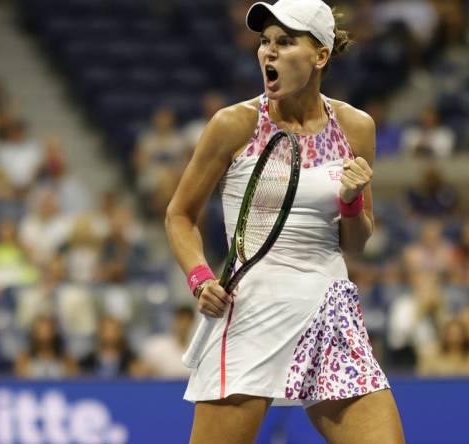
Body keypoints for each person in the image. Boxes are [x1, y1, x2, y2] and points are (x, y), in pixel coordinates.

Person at [163, 1, 404, 442]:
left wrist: (351, 203)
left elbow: (355, 243)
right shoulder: (233, 124)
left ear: (321, 56)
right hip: (252, 310)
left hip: (329, 311)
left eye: (285, 42)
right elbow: (179, 215)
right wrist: (200, 279)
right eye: (264, 42)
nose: (268, 53)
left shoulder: (356, 127)